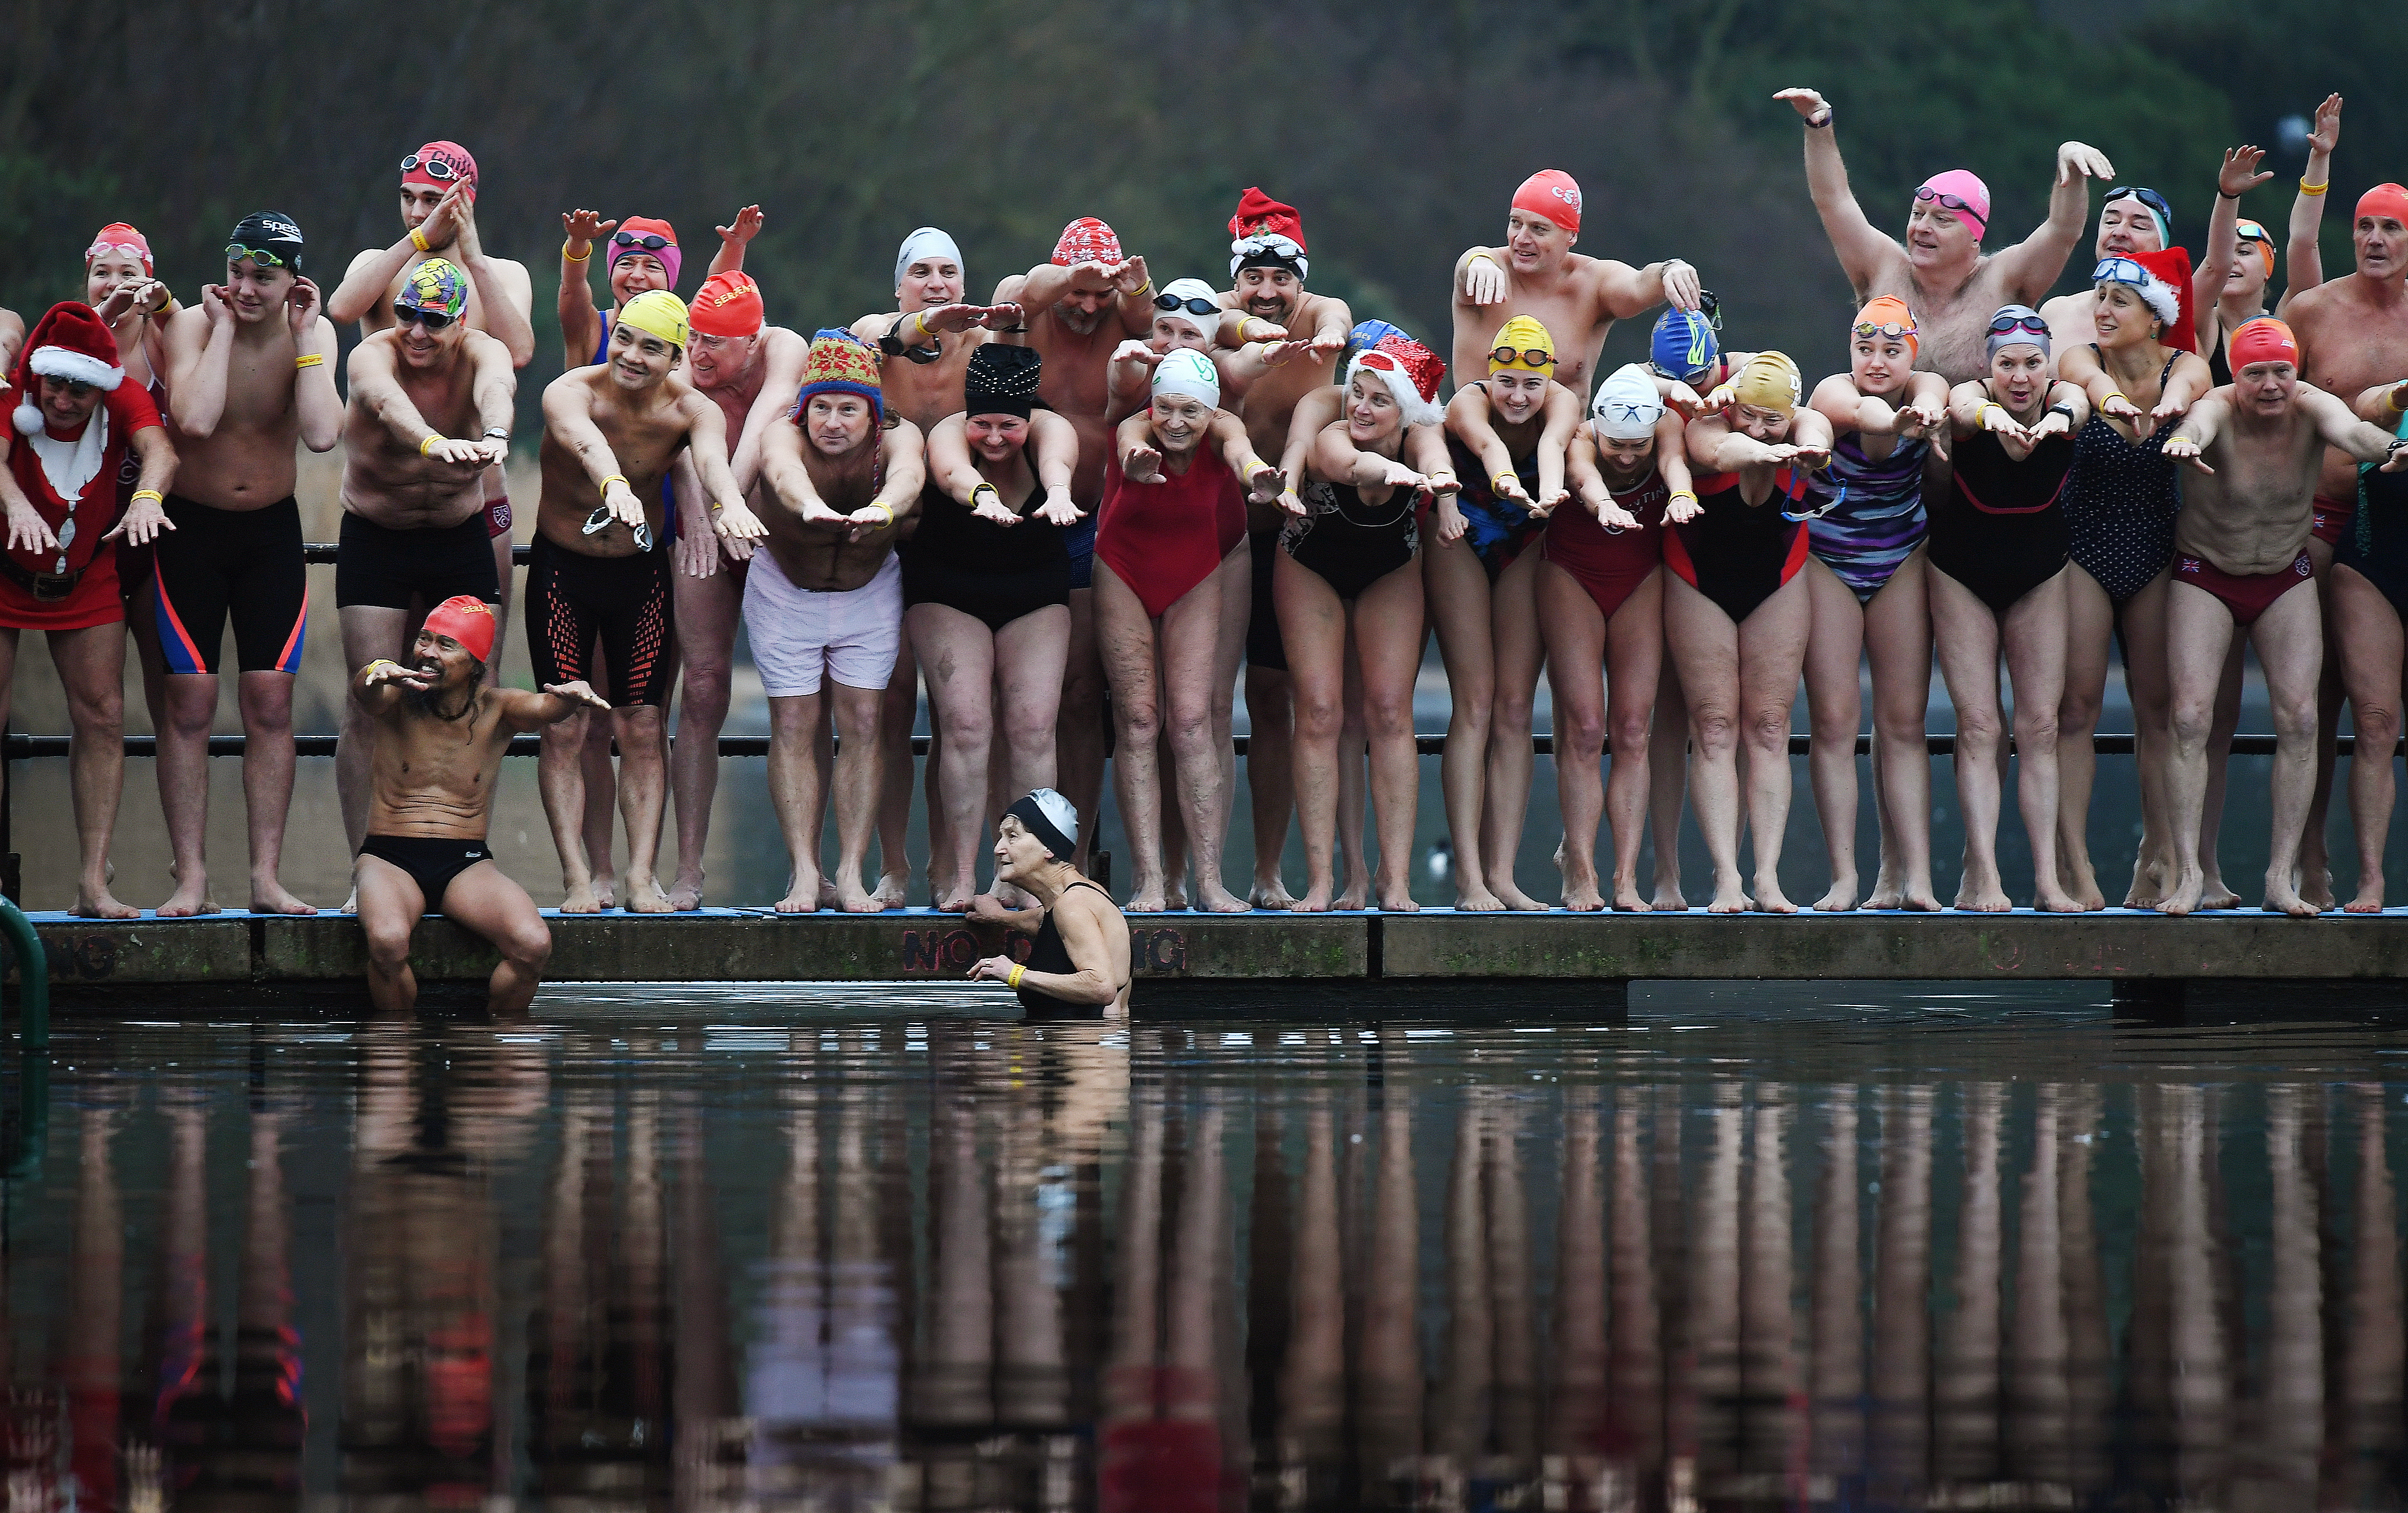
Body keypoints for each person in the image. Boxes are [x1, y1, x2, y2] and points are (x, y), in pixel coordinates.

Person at [2159, 319, 2408, 915]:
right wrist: (2185, 440)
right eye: (2255, 373)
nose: (2271, 385)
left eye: (2282, 372)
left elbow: (2353, 432)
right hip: (2206, 573)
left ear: (2296, 373)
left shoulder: (2310, 404)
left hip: (2284, 576)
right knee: (2190, 718)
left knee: (2300, 719)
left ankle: (2280, 876)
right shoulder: (2218, 406)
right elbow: (2202, 421)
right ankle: (2190, 873)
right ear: (2236, 375)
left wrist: (2394, 448)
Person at [531, 289, 757, 913]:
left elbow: (711, 459)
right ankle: (578, 877)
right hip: (562, 573)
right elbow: (584, 441)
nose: (630, 355)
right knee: (567, 726)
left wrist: (730, 503)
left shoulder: (690, 408)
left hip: (639, 576)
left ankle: (638, 877)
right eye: (625, 338)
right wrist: (614, 483)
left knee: (643, 725)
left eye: (651, 347)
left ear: (677, 358)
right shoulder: (573, 390)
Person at [154, 212, 341, 917]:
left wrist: (306, 342)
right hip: (191, 531)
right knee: (191, 703)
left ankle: (265, 876)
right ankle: (192, 878)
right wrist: (224, 327)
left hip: (270, 534)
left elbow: (324, 434)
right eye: (239, 273)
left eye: (264, 276)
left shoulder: (312, 335)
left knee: (269, 704)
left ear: (294, 281)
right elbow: (194, 421)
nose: (247, 288)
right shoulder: (193, 328)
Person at [325, 141, 536, 682]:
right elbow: (343, 308)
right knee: (382, 683)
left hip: (471, 493)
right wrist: (417, 241)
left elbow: (517, 353)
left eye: (433, 200)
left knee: (474, 677)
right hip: (387, 490)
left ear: (464, 199)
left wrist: (471, 253)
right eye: (409, 197)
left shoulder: (504, 273)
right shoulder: (378, 264)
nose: (419, 210)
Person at [852, 227, 1021, 903]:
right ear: (900, 286)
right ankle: (893, 864)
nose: (936, 282)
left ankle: (952, 866)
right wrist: (921, 323)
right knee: (891, 710)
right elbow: (869, 334)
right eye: (920, 271)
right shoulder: (875, 336)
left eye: (949, 271)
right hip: (884, 542)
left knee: (963, 718)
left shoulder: (985, 353)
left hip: (962, 541)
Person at [330, 259, 516, 867]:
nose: (416, 332)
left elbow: (499, 389)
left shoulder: (481, 353)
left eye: (434, 321)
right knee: (371, 698)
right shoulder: (372, 356)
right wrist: (433, 441)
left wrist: (495, 434)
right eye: (407, 314)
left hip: (455, 537)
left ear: (460, 324)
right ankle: (368, 862)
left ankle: (460, 849)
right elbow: (385, 403)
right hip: (376, 536)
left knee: (473, 701)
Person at [991, 218, 1156, 869]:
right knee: (1017, 701)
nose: (1089, 308)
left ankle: (1074, 856)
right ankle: (1004, 855)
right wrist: (1074, 278)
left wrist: (1122, 286)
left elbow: (1144, 305)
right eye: (1078, 294)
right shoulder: (1025, 311)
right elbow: (1020, 288)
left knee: (1083, 694)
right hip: (1018, 518)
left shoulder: (1127, 319)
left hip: (1093, 520)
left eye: (1100, 296)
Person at [0, 302, 175, 918]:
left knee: (102, 716)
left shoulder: (122, 395)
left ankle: (92, 883)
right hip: (4, 569)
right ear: (37, 378)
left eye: (79, 388)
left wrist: (148, 496)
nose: (65, 400)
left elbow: (160, 449)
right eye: (55, 385)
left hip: (85, 572)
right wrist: (17, 506)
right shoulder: (13, 393)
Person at [351, 597, 606, 1014]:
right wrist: (377, 671)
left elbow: (546, 708)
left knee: (533, 944)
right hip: (388, 857)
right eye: (423, 639)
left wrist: (572, 695)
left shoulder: (497, 708)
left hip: (465, 862)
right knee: (388, 941)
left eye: (445, 645)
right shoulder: (395, 698)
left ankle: (494, 1040)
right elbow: (365, 689)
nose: (427, 653)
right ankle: (396, 1043)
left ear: (475, 664)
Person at [1099, 348, 1286, 912]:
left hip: (1196, 571)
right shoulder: (1138, 424)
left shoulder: (1225, 426)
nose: (1176, 422)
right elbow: (1132, 435)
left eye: (1190, 412)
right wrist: (1134, 459)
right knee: (1137, 722)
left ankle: (1209, 880)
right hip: (1123, 569)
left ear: (1210, 411)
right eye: (1167, 408)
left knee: (1191, 720)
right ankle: (1149, 881)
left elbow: (1242, 451)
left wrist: (1259, 477)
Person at [2055, 252, 2213, 909]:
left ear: (2156, 317)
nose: (2104, 310)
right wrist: (2117, 400)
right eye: (2100, 297)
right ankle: (2076, 867)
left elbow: (2190, 390)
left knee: (2159, 712)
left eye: (2121, 300)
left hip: (2153, 550)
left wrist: (2170, 408)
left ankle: (2166, 859)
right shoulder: (2080, 360)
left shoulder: (2186, 366)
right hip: (2082, 548)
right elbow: (2087, 381)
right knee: (2077, 710)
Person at [748, 330, 923, 912]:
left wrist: (883, 508)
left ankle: (851, 871)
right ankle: (804, 871)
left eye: (848, 408)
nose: (831, 421)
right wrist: (810, 507)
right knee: (794, 721)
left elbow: (910, 478)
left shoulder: (898, 440)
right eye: (821, 406)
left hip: (867, 590)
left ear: (872, 414)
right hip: (783, 587)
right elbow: (779, 472)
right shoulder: (785, 434)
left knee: (865, 720)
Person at [1775, 86, 2114, 382]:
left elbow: (2062, 231)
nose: (1922, 228)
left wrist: (2070, 169)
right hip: (1886, 442)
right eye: (1917, 214)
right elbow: (1834, 201)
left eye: (1942, 220)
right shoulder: (1883, 268)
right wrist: (1818, 124)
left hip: (1975, 442)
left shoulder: (2001, 281)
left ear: (1974, 239)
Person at [906, 343, 1081, 909]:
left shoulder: (1052, 429)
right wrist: (981, 494)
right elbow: (953, 471)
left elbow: (1058, 466)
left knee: (1032, 726)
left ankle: (1027, 879)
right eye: (983, 424)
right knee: (966, 725)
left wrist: (1056, 495)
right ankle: (961, 875)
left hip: (1033, 591)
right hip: (949, 588)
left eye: (1009, 426)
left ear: (1029, 417)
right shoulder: (949, 434)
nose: (996, 438)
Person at [1283, 334, 1451, 914]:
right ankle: (1323, 881)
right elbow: (1345, 464)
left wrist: (1442, 489)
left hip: (1391, 567)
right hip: (1311, 561)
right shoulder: (1334, 431)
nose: (1361, 407)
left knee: (1388, 711)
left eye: (1380, 400)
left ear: (1405, 409)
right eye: (1358, 392)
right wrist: (1388, 469)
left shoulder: (1422, 432)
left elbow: (1436, 458)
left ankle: (1395, 882)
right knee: (1322, 711)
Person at [1931, 308, 2088, 912]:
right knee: (1979, 726)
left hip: (2040, 570)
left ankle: (2047, 881)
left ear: (2047, 364)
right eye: (2006, 364)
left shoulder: (2064, 396)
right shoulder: (1969, 396)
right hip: (1960, 571)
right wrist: (1996, 415)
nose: (2019, 376)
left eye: (2031, 363)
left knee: (2040, 727)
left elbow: (2079, 404)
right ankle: (1985, 877)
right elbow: (1964, 408)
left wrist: (2053, 420)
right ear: (1986, 365)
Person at [1220, 191, 1353, 908]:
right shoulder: (1210, 315)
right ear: (1235, 276)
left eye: (1283, 279)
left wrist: (1330, 334)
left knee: (1275, 701)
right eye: (1255, 277)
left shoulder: (1320, 314)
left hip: (1292, 535)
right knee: (1198, 707)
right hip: (1215, 533)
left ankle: (1268, 871)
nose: (1268, 293)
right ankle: (1188, 873)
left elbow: (1338, 317)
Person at [1666, 352, 1834, 913]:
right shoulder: (1711, 425)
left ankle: (1767, 878)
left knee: (1768, 726)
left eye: (1773, 419)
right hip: (1697, 575)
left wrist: (1806, 438)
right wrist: (1769, 450)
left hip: (1779, 573)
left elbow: (1818, 426)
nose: (1759, 427)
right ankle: (1726, 881)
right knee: (1714, 726)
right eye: (1750, 415)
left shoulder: (1806, 427)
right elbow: (1718, 452)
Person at [1800, 297, 1950, 912]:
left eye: (1892, 350)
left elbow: (1939, 395)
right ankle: (1843, 878)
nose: (1878, 362)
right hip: (1828, 557)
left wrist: (1933, 411)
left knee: (1904, 723)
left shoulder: (1928, 384)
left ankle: (1915, 876)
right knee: (1835, 723)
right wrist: (1897, 421)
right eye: (1866, 349)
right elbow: (1860, 412)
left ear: (1912, 352)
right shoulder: (1831, 392)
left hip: (1902, 555)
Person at [1428, 315, 1580, 910]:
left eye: (1530, 384)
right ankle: (1467, 876)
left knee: (1517, 707)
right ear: (1489, 377)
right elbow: (1490, 446)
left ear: (1549, 382)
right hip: (1463, 533)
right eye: (1506, 381)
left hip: (1527, 534)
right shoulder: (1469, 404)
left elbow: (1551, 445)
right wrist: (1510, 485)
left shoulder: (1561, 404)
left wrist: (1543, 496)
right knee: (1475, 700)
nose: (1518, 396)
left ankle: (1503, 875)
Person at [666, 269, 805, 909]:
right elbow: (687, 444)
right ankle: (690, 869)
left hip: (774, 529)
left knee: (800, 700)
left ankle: (806, 869)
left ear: (751, 341)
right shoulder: (681, 371)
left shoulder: (785, 348)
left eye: (714, 343)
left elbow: (765, 424)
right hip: (708, 528)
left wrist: (730, 506)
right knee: (702, 687)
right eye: (693, 337)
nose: (698, 353)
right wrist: (705, 509)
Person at [2288, 178, 2408, 911]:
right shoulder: (2313, 310)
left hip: (2392, 519)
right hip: (2324, 521)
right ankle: (2316, 863)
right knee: (2319, 704)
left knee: (2369, 712)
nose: (2374, 240)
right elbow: (2260, 397)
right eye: (2365, 226)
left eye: (2390, 229)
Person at [1543, 364, 1688, 911]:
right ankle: (1581, 869)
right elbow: (1582, 472)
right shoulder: (1581, 437)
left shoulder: (1667, 430)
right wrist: (1606, 503)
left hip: (1639, 578)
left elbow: (1674, 462)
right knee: (1583, 728)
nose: (1628, 456)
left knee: (1631, 729)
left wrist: (1679, 494)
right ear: (1597, 427)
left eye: (1638, 446)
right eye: (1616, 445)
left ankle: (1625, 880)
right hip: (1571, 573)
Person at [1450, 170, 1700, 396]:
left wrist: (1670, 270)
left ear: (1571, 236)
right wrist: (1477, 263)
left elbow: (1639, 285)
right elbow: (1469, 265)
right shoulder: (1488, 266)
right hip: (1475, 441)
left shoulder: (1592, 282)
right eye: (1516, 223)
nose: (1521, 238)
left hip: (1564, 444)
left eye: (1538, 229)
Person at [79, 224, 177, 735]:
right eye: (102, 273)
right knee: (99, 710)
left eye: (128, 273)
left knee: (173, 707)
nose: (114, 283)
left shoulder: (165, 346)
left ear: (149, 282)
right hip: (88, 544)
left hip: (154, 536)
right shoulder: (67, 343)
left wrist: (165, 309)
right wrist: (97, 323)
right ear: (88, 279)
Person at [2332, 374, 2408, 911]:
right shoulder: (2397, 394)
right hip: (2370, 564)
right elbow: (2369, 408)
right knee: (2376, 723)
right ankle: (2371, 878)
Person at [966, 791, 1132, 1018]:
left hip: (1085, 1048)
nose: (998, 849)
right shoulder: (1079, 895)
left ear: (1049, 848)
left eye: (1012, 836)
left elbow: (1101, 987)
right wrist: (1000, 916)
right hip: (1079, 1045)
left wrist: (1014, 973)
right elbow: (1050, 923)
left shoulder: (1073, 906)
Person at [2037, 184, 2175, 347]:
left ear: (2161, 248)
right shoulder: (2056, 312)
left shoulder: (2179, 318)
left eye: (2138, 226)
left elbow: (2213, 269)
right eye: (2111, 222)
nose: (2119, 232)